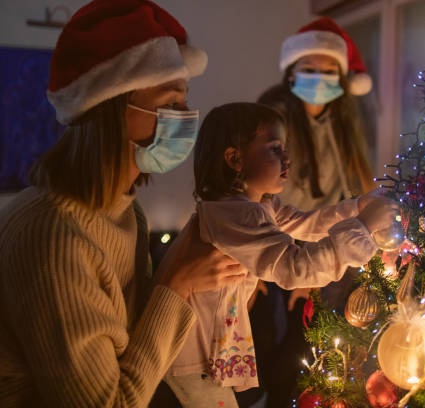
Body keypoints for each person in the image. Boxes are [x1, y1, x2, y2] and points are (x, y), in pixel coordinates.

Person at [0, 1, 247, 406]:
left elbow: (131, 340)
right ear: (111, 110)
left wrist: (205, 283)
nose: (185, 119)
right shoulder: (54, 237)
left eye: (183, 104)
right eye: (169, 104)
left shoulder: (125, 209)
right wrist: (176, 282)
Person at [161, 102, 397, 408]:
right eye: (274, 149)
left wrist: (356, 209)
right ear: (235, 159)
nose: (287, 158)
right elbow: (293, 269)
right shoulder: (233, 215)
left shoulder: (259, 207)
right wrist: (363, 227)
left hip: (208, 353)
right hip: (194, 356)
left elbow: (306, 224)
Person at [246, 17, 377, 406]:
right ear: (291, 73)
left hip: (328, 247)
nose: (319, 77)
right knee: (277, 348)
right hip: (280, 248)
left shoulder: (345, 118)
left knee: (318, 351)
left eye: (327, 70)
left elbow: (358, 180)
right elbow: (258, 193)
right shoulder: (273, 118)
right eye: (309, 69)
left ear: (341, 76)